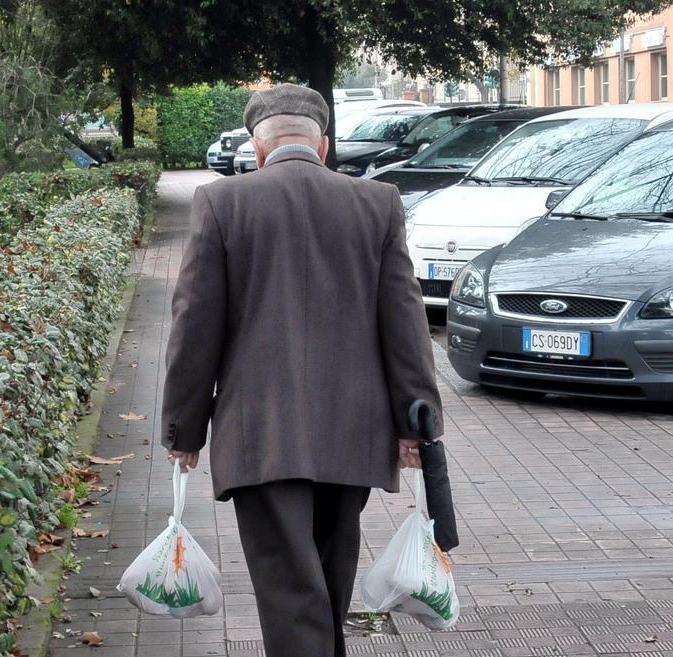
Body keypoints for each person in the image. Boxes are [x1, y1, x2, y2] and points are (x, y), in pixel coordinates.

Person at [160, 84, 442, 657]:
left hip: (260, 433)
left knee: (292, 588)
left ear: (258, 151)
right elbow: (405, 320)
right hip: (355, 432)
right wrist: (418, 422)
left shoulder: (222, 203)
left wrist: (184, 430)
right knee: (327, 578)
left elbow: (195, 326)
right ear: (324, 145)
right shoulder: (377, 202)